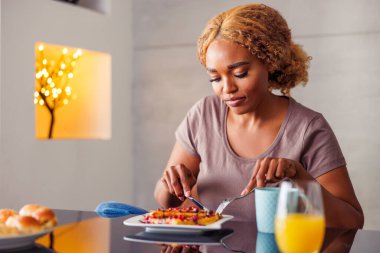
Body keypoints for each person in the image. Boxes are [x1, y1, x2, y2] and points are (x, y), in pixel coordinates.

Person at [154, 3, 364, 228]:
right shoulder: (204, 114)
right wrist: (170, 186)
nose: (227, 88)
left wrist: (299, 176)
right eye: (215, 78)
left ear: (270, 62)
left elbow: (352, 221)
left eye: (240, 73)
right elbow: (167, 202)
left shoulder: (308, 128)